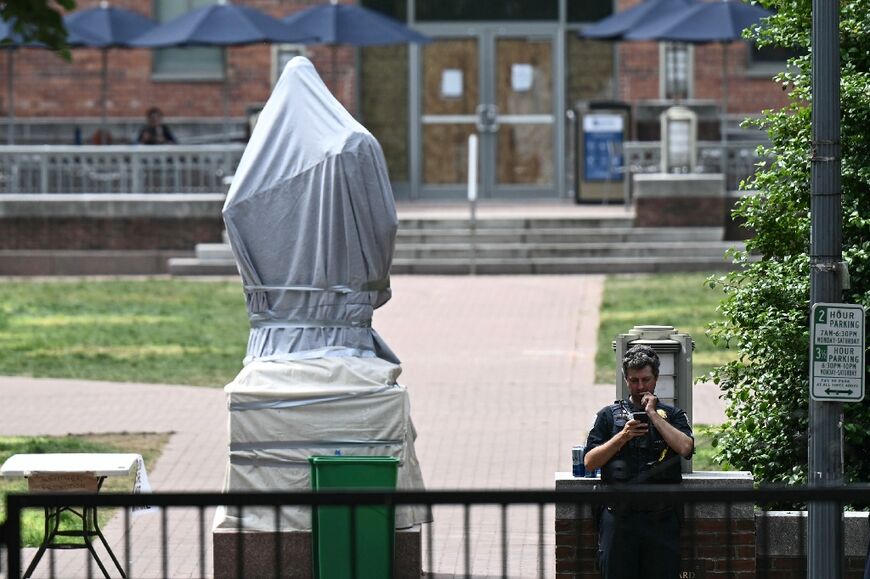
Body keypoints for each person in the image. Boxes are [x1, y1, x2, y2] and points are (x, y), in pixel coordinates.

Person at [584, 344, 694, 579]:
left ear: (656, 379)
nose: (641, 386)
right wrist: (623, 436)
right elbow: (590, 462)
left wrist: (654, 415)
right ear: (626, 380)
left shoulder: (672, 415)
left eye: (646, 380)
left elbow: (685, 447)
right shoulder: (608, 416)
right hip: (619, 517)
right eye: (634, 381)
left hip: (661, 518)